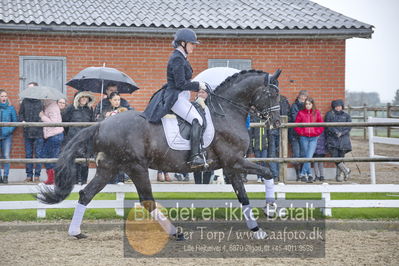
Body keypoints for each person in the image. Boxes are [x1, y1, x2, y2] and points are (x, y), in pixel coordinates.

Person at [143, 28, 209, 169]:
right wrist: (198, 85)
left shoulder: (182, 58)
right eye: (192, 44)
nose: (194, 46)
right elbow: (180, 83)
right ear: (183, 43)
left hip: (182, 97)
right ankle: (195, 156)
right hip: (175, 98)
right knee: (197, 120)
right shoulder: (177, 59)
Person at [96, 91, 130, 183]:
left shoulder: (124, 110)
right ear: (110, 100)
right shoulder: (105, 110)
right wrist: (104, 116)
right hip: (109, 139)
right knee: (110, 159)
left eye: (118, 100)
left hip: (121, 138)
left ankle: (120, 179)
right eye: (115, 100)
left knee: (121, 159)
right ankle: (110, 179)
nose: (117, 102)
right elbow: (99, 122)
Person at [62, 91, 95, 184]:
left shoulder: (89, 109)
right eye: (82, 97)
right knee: (74, 160)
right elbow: (64, 122)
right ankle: (75, 181)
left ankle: (84, 181)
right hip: (73, 137)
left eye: (86, 97)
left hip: (86, 138)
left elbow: (92, 122)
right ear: (78, 98)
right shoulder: (71, 108)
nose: (84, 99)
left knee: (85, 160)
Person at [18, 82, 44, 182]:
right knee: (28, 154)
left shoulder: (41, 102)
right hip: (27, 132)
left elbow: (45, 116)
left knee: (38, 154)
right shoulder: (25, 101)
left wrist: (41, 121)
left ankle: (37, 176)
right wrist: (22, 121)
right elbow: (20, 114)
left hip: (39, 133)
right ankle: (29, 176)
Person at [294, 97, 324, 183]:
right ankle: (309, 174)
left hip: (313, 138)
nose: (308, 105)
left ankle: (303, 174)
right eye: (306, 104)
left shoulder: (316, 113)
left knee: (309, 156)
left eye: (309, 104)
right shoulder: (301, 113)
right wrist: (302, 132)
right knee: (306, 156)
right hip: (304, 137)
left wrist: (317, 133)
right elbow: (296, 125)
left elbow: (321, 125)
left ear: (312, 104)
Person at [325, 99, 352, 182]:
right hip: (333, 139)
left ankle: (339, 176)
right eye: (336, 106)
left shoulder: (346, 116)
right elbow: (328, 125)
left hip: (343, 140)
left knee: (341, 157)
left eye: (339, 106)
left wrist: (342, 133)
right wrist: (336, 132)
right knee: (335, 157)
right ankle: (346, 170)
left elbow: (349, 127)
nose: (338, 108)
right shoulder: (330, 114)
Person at [39, 99, 64, 185]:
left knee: (47, 156)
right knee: (50, 156)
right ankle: (53, 178)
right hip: (53, 135)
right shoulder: (49, 106)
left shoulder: (52, 107)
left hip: (55, 135)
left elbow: (54, 123)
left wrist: (42, 116)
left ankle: (52, 179)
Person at [267, 95, 290, 182]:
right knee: (272, 153)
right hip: (272, 130)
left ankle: (281, 175)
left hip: (282, 130)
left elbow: (288, 115)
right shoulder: (270, 100)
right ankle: (275, 174)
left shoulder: (284, 100)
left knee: (282, 153)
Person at [289, 90, 308, 181]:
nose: (303, 98)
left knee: (304, 154)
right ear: (299, 96)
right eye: (302, 96)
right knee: (297, 154)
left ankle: (302, 173)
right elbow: (295, 118)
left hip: (305, 134)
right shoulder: (295, 106)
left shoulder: (307, 106)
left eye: (305, 96)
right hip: (295, 133)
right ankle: (298, 174)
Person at [0, 90, 17, 184]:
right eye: (2, 96)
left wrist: (8, 131)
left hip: (7, 136)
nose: (4, 98)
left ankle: (6, 176)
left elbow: (15, 122)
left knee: (6, 156)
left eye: (5, 96)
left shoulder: (10, 108)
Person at [250, 114, 268, 183]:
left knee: (264, 161)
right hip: (257, 145)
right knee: (258, 162)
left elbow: (268, 133)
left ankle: (263, 176)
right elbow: (251, 135)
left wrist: (267, 143)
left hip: (264, 146)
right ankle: (259, 177)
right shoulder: (255, 120)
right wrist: (251, 148)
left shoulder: (265, 121)